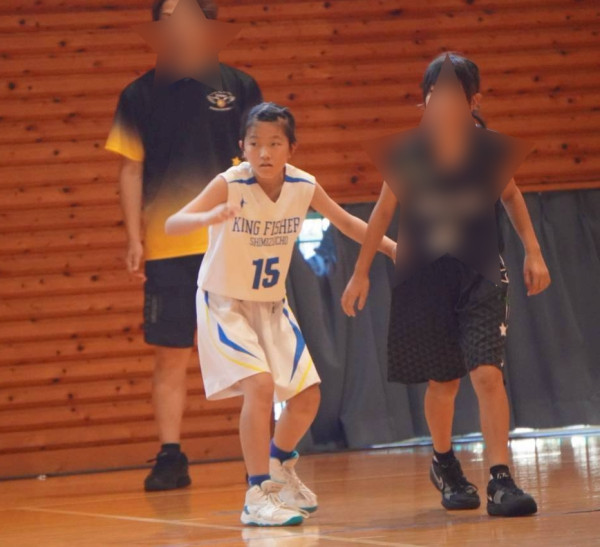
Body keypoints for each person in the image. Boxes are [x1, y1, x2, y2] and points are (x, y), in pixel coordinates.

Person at [165, 102, 396, 526]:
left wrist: (393, 249)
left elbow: (347, 223)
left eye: (274, 143)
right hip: (225, 304)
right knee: (260, 386)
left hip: (272, 305)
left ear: (291, 148)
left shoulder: (303, 185)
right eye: (255, 143)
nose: (264, 152)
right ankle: (258, 494)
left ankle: (278, 464)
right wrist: (208, 215)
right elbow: (172, 224)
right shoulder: (229, 183)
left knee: (307, 397)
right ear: (242, 146)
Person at [341, 53, 551, 517]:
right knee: (444, 381)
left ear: (473, 102)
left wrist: (533, 251)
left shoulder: (487, 150)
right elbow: (382, 213)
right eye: (435, 94)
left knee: (487, 373)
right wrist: (360, 272)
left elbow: (512, 196)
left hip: (481, 275)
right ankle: (445, 463)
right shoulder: (410, 153)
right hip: (428, 277)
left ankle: (500, 478)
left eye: (453, 94)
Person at [105, 0, 262, 491]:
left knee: (249, 350)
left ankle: (259, 458)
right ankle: (170, 455)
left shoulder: (240, 87)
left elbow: (261, 160)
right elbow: (130, 168)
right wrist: (134, 237)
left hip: (232, 240)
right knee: (171, 352)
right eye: (168, 17)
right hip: (169, 242)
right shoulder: (138, 95)